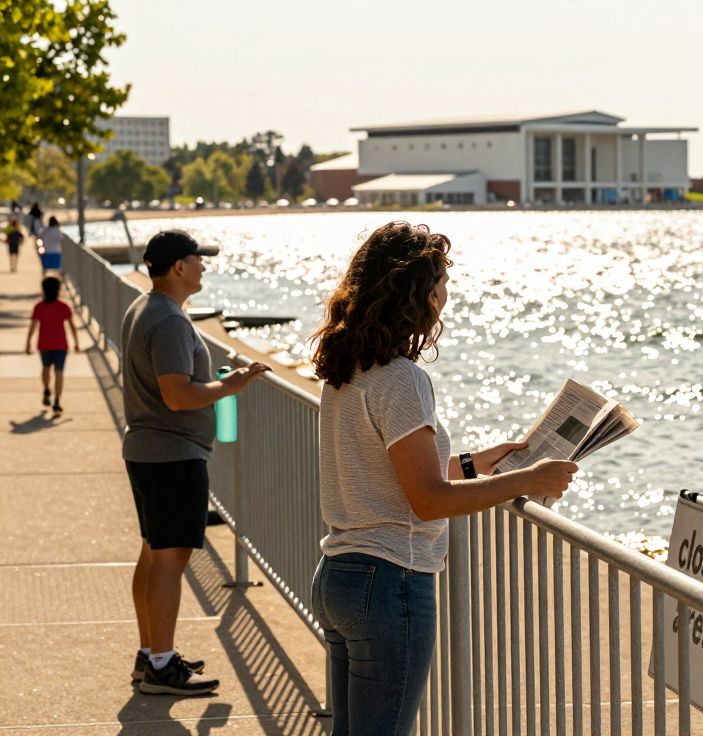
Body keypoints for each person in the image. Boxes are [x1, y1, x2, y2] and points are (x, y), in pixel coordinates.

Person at [309, 221, 578, 734]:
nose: (446, 295)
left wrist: (478, 465)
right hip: (390, 581)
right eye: (442, 283)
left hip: (340, 575)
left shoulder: (348, 368)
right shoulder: (403, 379)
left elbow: (395, 475)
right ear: (421, 293)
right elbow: (428, 500)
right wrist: (527, 480)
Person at [121, 229, 272, 696]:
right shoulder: (168, 320)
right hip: (171, 455)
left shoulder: (143, 308)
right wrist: (234, 385)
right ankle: (162, 666)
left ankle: (151, 656)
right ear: (179, 268)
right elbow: (177, 393)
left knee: (153, 553)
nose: (204, 266)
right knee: (170, 559)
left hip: (150, 451)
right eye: (198, 259)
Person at [25, 276, 79, 412]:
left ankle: (46, 389)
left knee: (45, 368)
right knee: (59, 372)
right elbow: (72, 326)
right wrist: (77, 342)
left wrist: (28, 343)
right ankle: (57, 401)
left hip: (44, 344)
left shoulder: (39, 307)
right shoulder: (63, 307)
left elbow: (33, 326)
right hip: (61, 345)